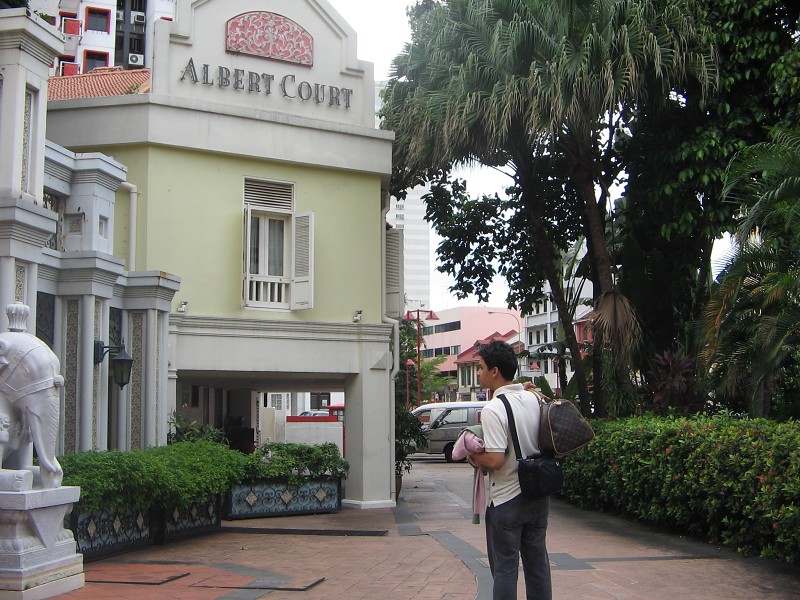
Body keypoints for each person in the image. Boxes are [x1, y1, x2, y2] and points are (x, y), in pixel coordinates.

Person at [469, 340, 552, 600]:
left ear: (495, 371)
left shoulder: (494, 408)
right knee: (538, 567)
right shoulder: (534, 398)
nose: (478, 373)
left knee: (505, 569)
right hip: (538, 496)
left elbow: (495, 460)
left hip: (507, 500)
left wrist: (472, 454)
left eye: (481, 367)